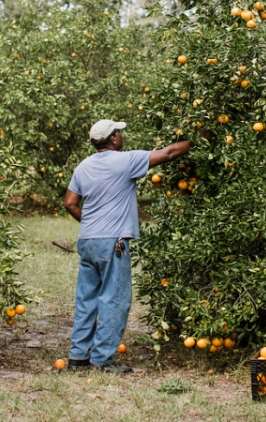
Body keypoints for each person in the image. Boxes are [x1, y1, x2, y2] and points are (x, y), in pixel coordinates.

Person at [63, 119, 203, 373]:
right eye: (119, 132)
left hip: (87, 241)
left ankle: (78, 358)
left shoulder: (83, 167)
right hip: (112, 242)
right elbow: (170, 152)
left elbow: (70, 202)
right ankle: (103, 359)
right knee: (114, 299)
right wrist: (200, 138)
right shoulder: (125, 161)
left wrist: (93, 223)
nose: (121, 136)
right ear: (113, 138)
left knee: (87, 299)